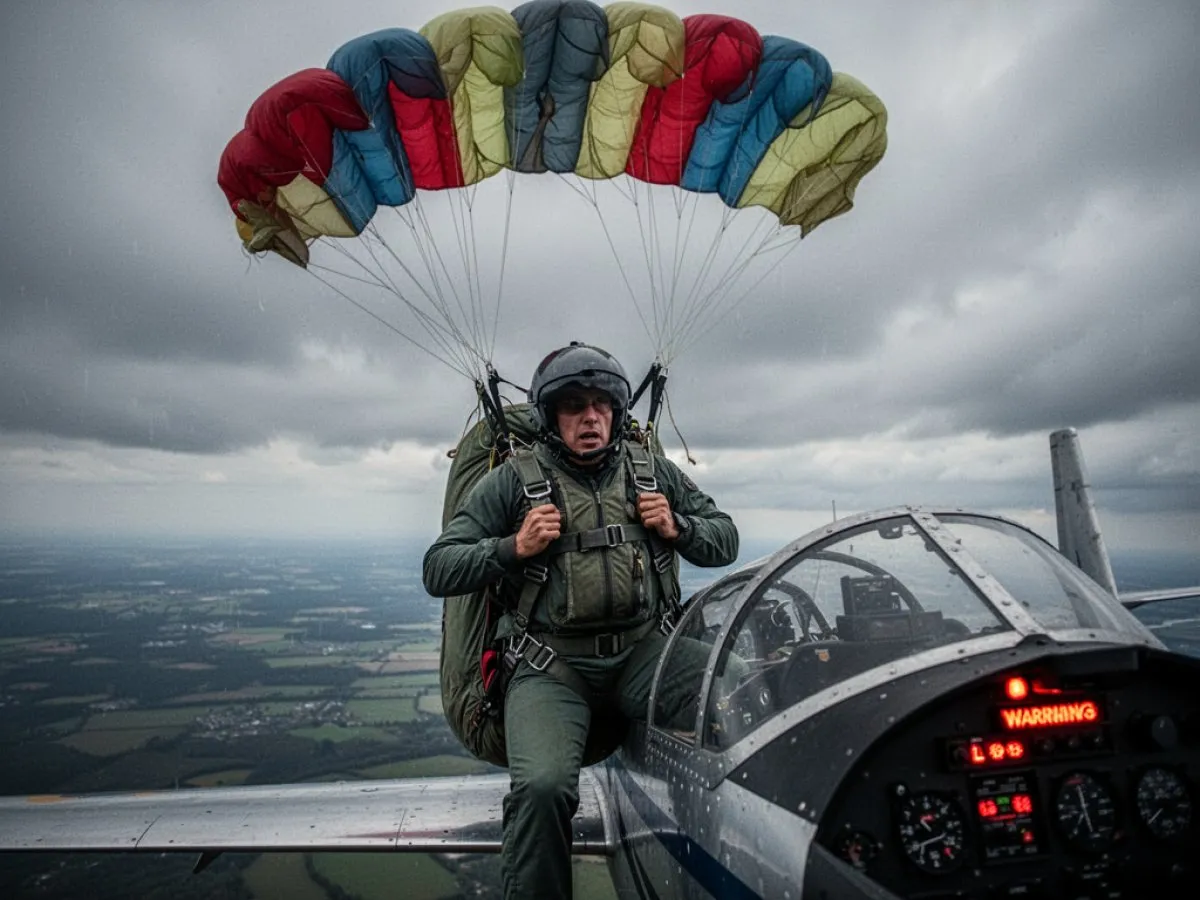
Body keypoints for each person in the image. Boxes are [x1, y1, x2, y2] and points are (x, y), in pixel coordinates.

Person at [423, 342, 738, 899]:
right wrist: (511, 548)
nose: (590, 417)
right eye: (574, 405)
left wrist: (680, 529)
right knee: (542, 789)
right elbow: (440, 567)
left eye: (601, 404)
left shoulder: (649, 472)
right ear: (552, 417)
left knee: (740, 697)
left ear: (616, 413)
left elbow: (724, 539)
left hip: (642, 655)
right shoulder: (513, 481)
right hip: (549, 666)